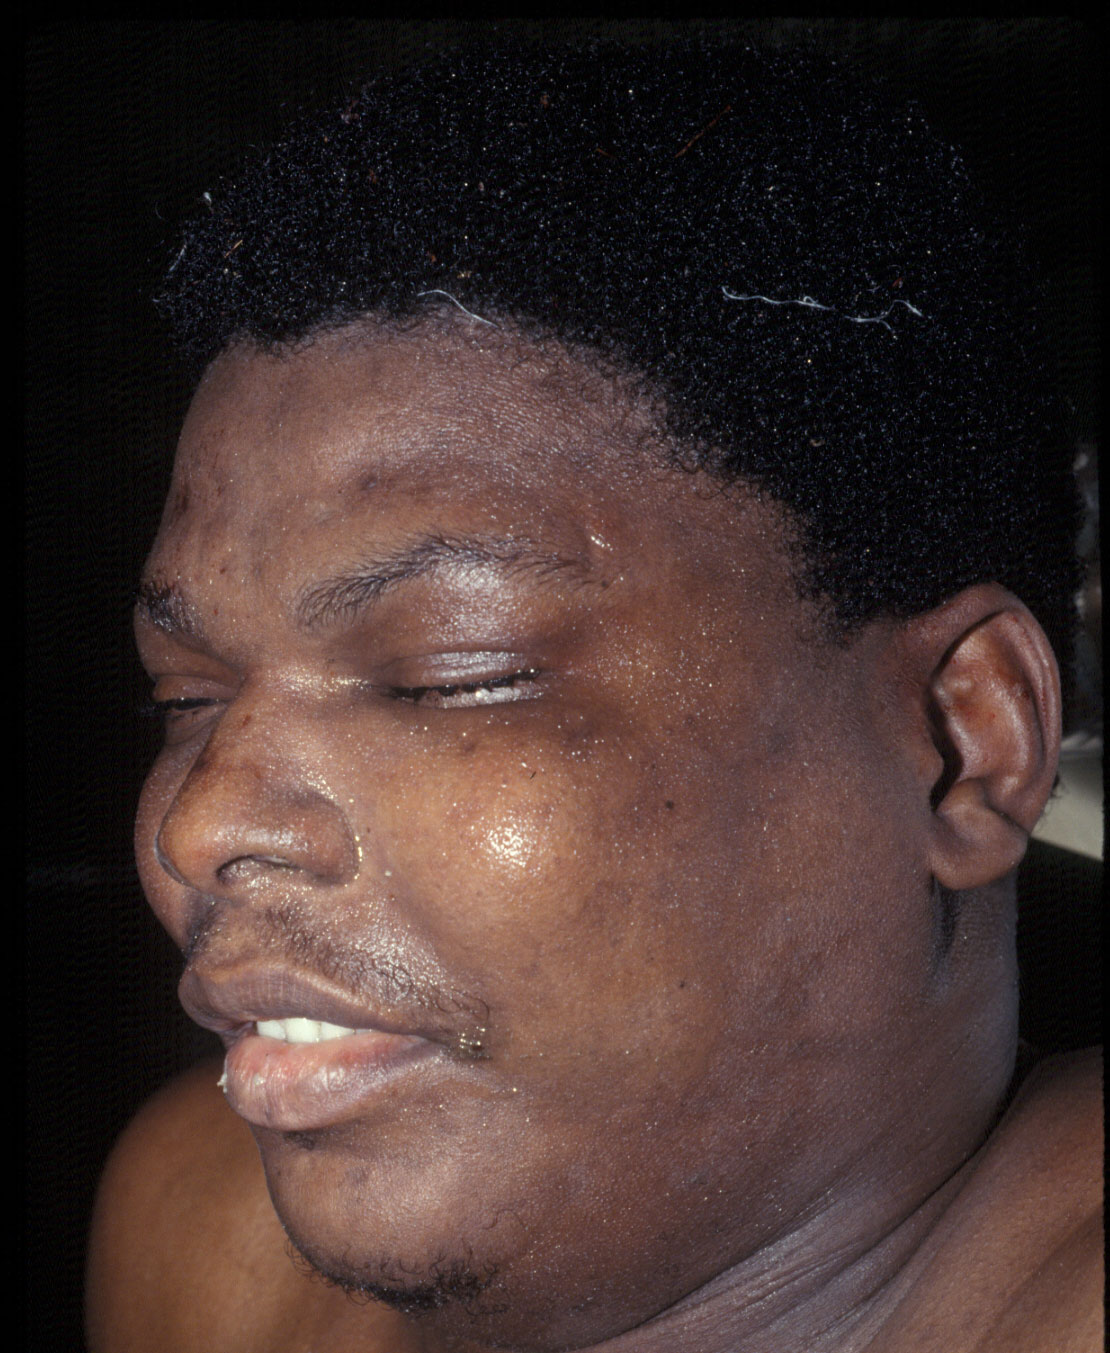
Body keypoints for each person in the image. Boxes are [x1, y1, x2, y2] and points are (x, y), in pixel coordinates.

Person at [85, 39, 1102, 1353]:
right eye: (184, 698)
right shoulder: (209, 1243)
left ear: (962, 743)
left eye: (453, 679)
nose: (198, 826)